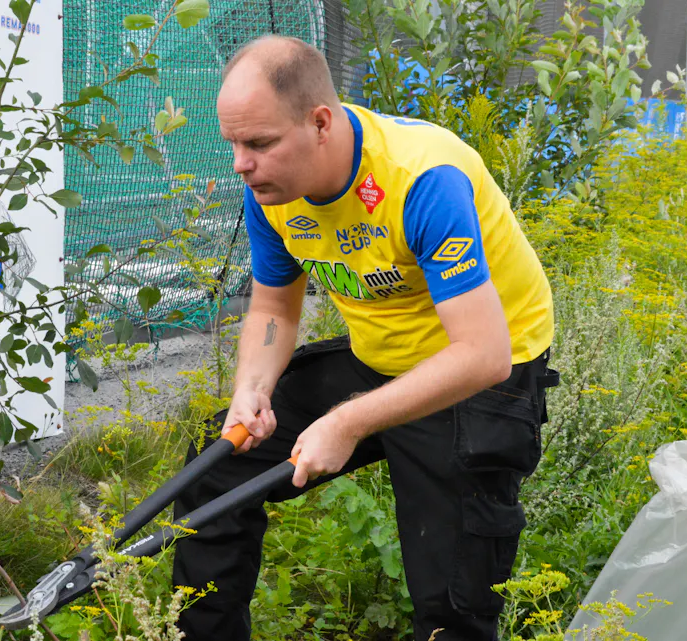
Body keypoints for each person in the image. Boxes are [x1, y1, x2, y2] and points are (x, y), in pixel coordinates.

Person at [171, 35, 560, 641]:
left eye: (259, 143)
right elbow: (274, 304)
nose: (241, 165)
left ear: (320, 122)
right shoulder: (271, 193)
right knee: (214, 472)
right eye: (234, 145)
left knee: (452, 601)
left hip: (483, 374)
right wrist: (253, 388)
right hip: (383, 358)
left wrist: (348, 423)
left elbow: (484, 356)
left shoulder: (422, 177)